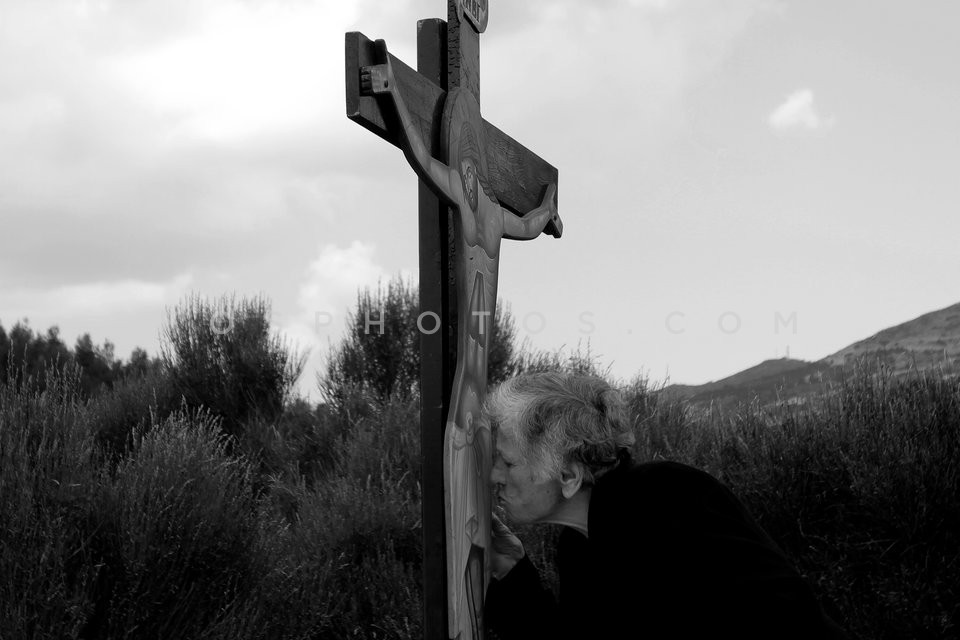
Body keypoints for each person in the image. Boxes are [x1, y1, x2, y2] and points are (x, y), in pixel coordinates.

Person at [360, 40, 562, 640]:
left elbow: (522, 219)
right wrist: (394, 93)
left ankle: (477, 501)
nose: (470, 162)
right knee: (469, 398)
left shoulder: (483, 204)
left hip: (478, 317)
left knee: (473, 401)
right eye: (469, 151)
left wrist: (548, 206)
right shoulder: (479, 200)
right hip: (476, 316)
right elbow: (421, 153)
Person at [484, 371, 849, 639]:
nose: (495, 476)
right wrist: (513, 571)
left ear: (568, 476)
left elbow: (783, 614)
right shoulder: (579, 545)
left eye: (508, 462)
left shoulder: (668, 496)